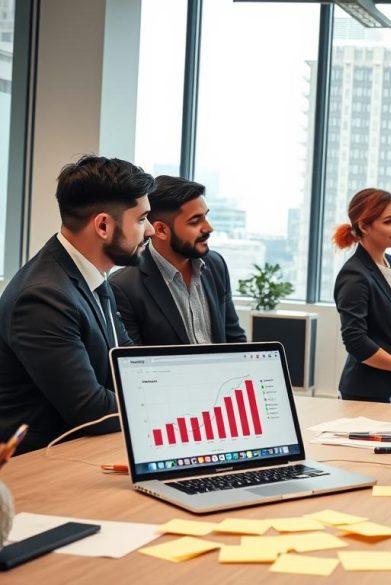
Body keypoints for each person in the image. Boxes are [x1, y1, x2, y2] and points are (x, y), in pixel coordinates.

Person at [0, 156, 156, 452]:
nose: (150, 230)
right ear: (103, 225)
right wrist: (168, 404)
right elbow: (90, 409)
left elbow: (127, 360)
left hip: (82, 452)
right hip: (40, 464)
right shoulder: (43, 297)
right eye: (141, 219)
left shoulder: (90, 275)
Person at [110, 176, 246, 345]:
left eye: (206, 217)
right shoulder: (123, 286)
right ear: (161, 230)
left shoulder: (216, 264)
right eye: (195, 221)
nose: (209, 228)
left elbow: (234, 339)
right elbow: (134, 358)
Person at [333, 188, 391, 402]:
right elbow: (355, 341)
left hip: (388, 384)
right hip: (364, 390)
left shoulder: (390, 263)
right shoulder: (354, 275)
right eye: (388, 221)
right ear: (363, 226)